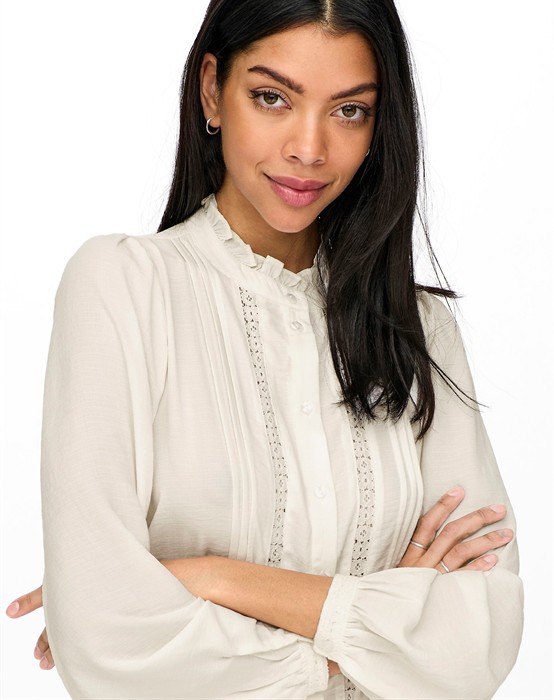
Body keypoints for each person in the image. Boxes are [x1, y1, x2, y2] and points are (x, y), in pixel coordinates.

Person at [4, 0, 523, 698]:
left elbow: (481, 639)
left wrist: (209, 579)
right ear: (212, 91)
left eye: (349, 111)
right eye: (273, 97)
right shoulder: (122, 287)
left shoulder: (419, 328)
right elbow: (106, 640)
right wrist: (382, 635)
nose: (309, 148)